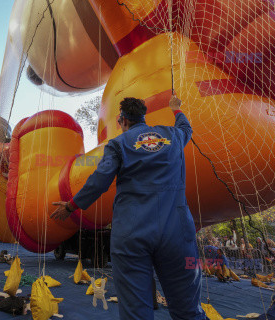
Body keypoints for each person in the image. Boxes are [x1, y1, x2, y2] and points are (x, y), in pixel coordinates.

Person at [51, 95, 206, 320]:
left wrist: (71, 206)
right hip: (177, 232)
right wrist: (176, 109)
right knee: (189, 311)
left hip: (132, 233)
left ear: (121, 121)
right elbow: (186, 128)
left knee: (136, 313)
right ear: (143, 117)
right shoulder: (172, 135)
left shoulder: (117, 145)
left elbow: (99, 180)